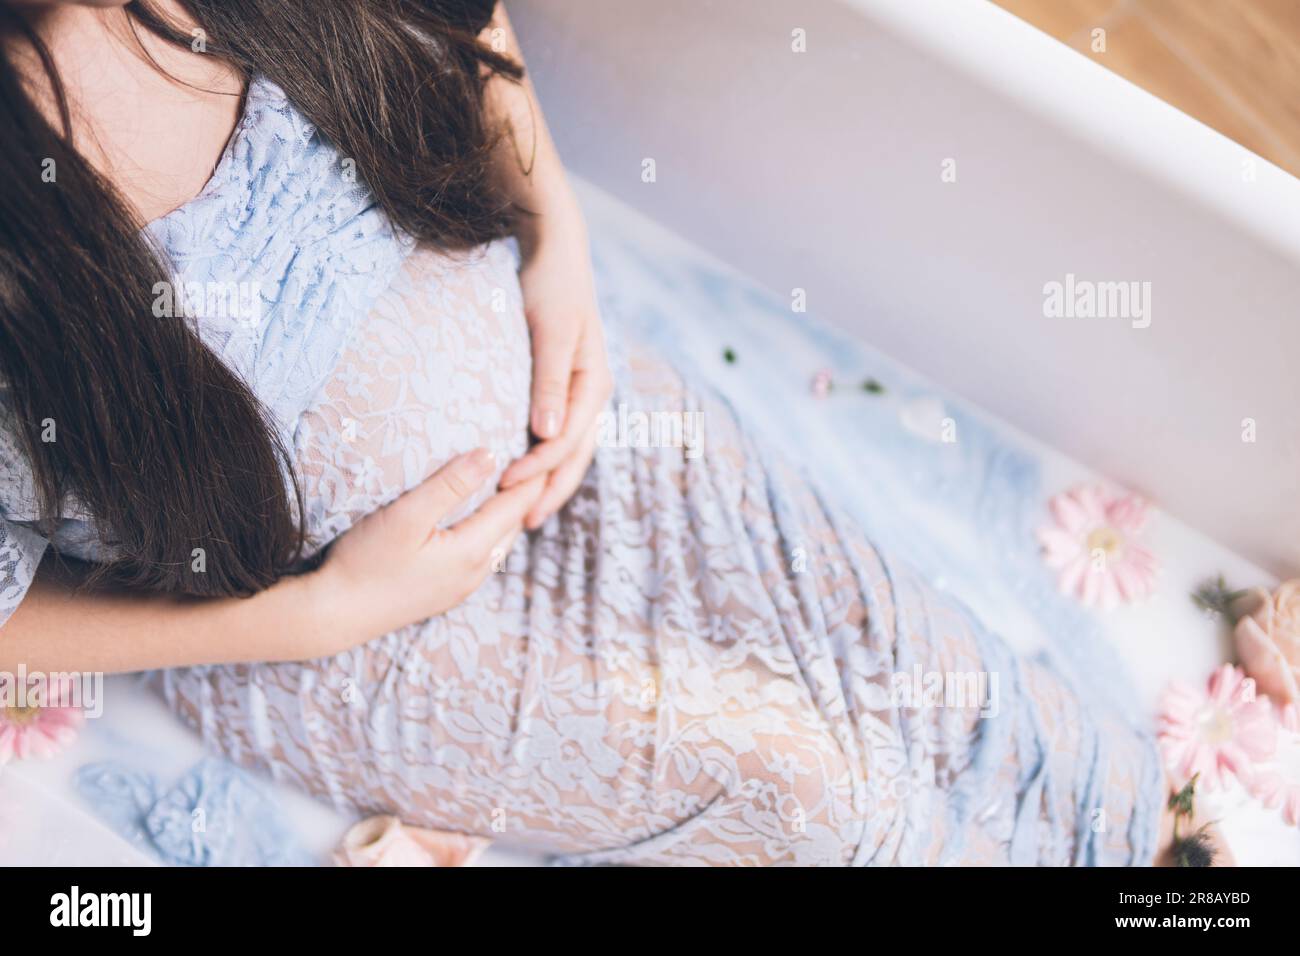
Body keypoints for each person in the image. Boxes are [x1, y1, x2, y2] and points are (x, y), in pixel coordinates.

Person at [0, 0, 1169, 865]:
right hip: (336, 633)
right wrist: (321, 609)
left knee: (933, 663)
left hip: (554, 418)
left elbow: (464, 25)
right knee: (813, 792)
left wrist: (556, 240)